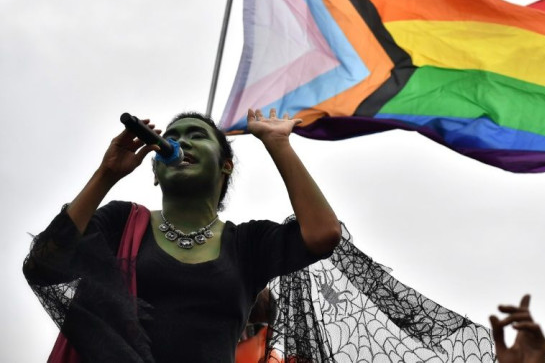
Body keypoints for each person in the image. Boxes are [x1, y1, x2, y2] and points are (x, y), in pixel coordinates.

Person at [23, 108, 342, 363]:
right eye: (173, 136)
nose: (181, 141)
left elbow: (323, 235)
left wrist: (278, 144)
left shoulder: (247, 244)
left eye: (196, 135)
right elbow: (43, 265)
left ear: (225, 166)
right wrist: (106, 174)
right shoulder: (121, 222)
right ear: (155, 173)